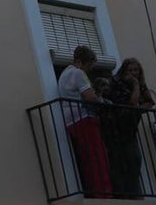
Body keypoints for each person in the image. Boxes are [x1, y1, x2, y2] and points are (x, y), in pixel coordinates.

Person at [57, 46, 112, 198]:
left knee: (88, 159)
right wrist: (102, 100)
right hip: (84, 119)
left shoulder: (64, 75)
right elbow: (90, 97)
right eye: (89, 66)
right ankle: (104, 195)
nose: (89, 70)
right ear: (80, 62)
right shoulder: (78, 73)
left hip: (71, 122)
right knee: (98, 158)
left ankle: (96, 193)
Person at [105, 57, 155, 198]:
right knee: (119, 164)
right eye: (130, 70)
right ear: (124, 71)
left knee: (134, 162)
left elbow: (150, 103)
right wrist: (136, 86)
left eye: (136, 70)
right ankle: (123, 197)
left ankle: (135, 196)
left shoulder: (141, 84)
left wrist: (138, 106)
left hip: (130, 130)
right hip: (115, 130)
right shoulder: (117, 83)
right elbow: (133, 102)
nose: (134, 73)